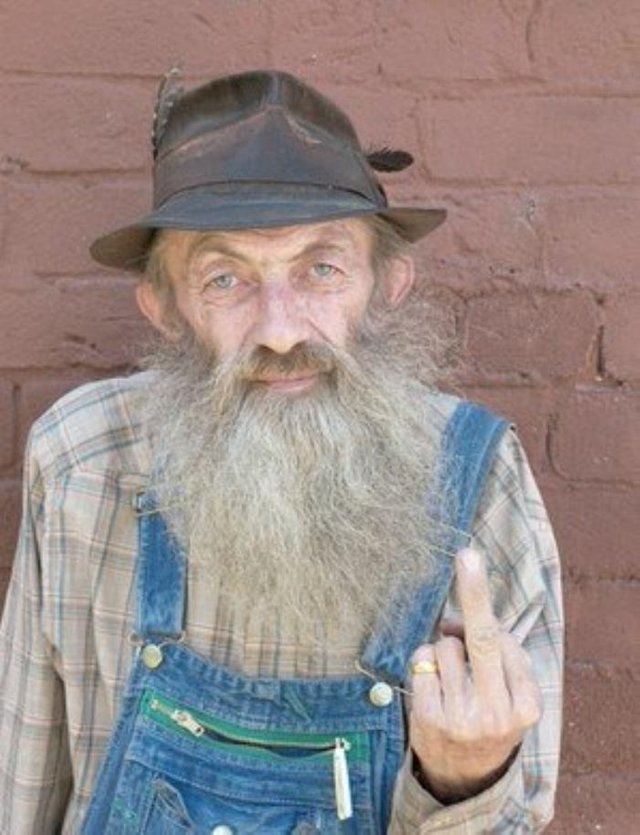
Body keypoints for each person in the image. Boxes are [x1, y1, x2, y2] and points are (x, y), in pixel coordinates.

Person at [0, 70, 563, 834]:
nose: (280, 330)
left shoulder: (476, 481)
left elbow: (519, 817)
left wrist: (462, 781)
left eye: (321, 269)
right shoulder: (81, 461)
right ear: (164, 307)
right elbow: (21, 788)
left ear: (385, 284)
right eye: (225, 278)